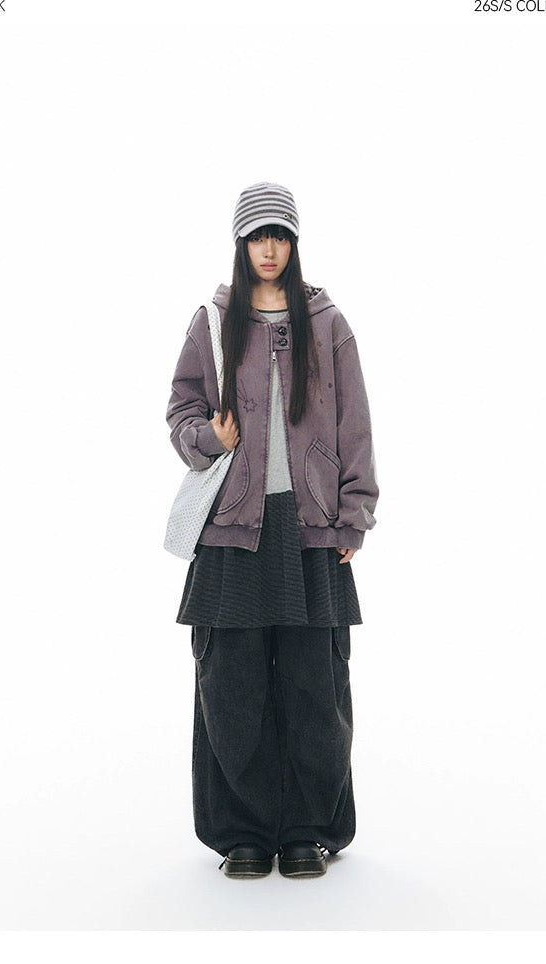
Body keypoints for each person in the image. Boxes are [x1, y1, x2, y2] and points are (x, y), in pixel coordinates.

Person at [166, 181, 378, 878]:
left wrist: (354, 513)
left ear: (294, 243)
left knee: (316, 685)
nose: (269, 248)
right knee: (232, 685)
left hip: (312, 528)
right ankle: (245, 834)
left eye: (280, 235)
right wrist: (210, 436)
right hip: (233, 528)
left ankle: (308, 829)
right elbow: (181, 411)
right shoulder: (212, 319)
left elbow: (355, 425)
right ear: (240, 243)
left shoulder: (328, 323)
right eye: (257, 236)